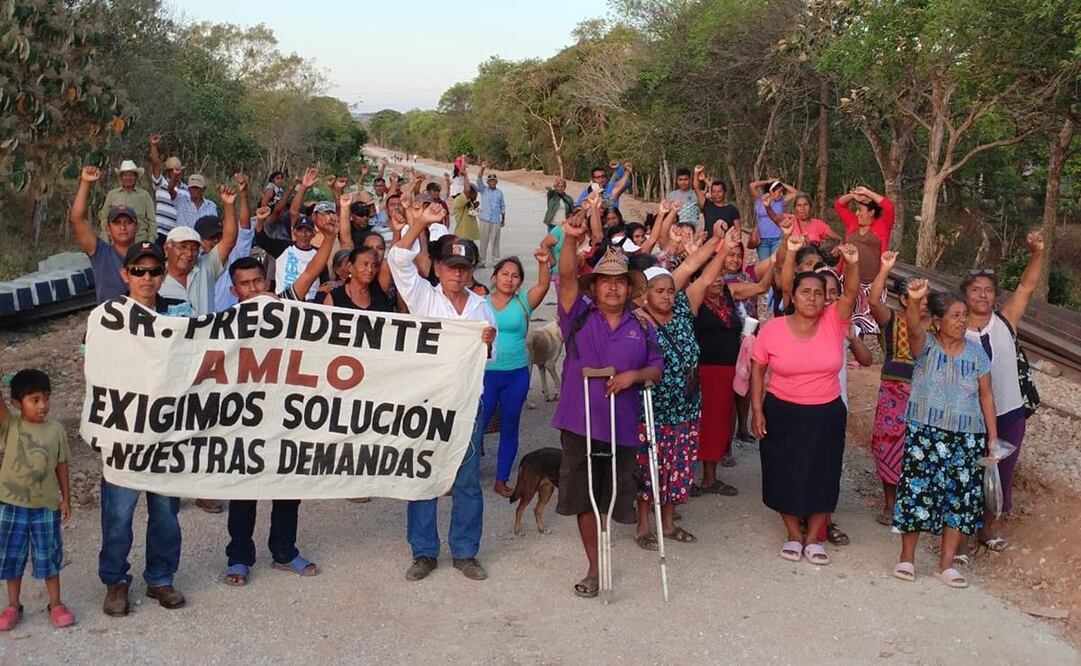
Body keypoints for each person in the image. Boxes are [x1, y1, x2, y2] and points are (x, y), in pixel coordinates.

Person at [553, 199, 663, 598]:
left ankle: (605, 548)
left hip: (622, 425)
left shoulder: (641, 325)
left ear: (627, 286)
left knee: (613, 497)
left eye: (619, 281)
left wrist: (634, 375)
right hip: (580, 420)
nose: (613, 286)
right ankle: (595, 566)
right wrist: (569, 240)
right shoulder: (578, 314)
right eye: (605, 280)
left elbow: (656, 367)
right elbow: (566, 278)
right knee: (584, 497)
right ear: (595, 286)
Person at [223, 216, 338, 586]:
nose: (254, 289)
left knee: (288, 485)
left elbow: (315, 269)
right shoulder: (222, 322)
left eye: (258, 281)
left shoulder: (286, 303)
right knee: (243, 489)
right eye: (246, 285)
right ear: (234, 289)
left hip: (286, 412)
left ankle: (284, 551)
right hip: (244, 417)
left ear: (267, 282)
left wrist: (332, 236)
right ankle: (239, 556)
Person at [387, 203, 497, 582]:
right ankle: (424, 551)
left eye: (464, 268)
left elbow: (489, 355)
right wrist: (418, 223)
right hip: (428, 401)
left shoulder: (482, 306)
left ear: (470, 272)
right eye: (451, 266)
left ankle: (465, 551)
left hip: (467, 402)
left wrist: (488, 341)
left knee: (466, 479)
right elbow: (398, 260)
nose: (457, 273)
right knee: (423, 476)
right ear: (438, 269)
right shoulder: (423, 298)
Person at [633, 225, 745, 549]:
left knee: (679, 466)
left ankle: (667, 524)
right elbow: (687, 269)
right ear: (645, 294)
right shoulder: (639, 320)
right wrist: (714, 245)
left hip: (686, 405)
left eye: (670, 290)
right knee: (649, 466)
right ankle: (643, 524)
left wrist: (723, 248)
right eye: (660, 291)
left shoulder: (683, 308)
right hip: (651, 409)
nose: (668, 295)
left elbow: (705, 276)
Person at [749, 242, 860, 566]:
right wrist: (757, 409)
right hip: (783, 410)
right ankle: (793, 535)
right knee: (783, 471)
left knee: (823, 472)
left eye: (818, 292)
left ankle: (813, 538)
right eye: (805, 292)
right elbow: (758, 369)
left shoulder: (833, 321)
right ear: (792, 297)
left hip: (826, 411)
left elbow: (850, 292)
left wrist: (851, 263)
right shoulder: (773, 329)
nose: (812, 297)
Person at [100, 241, 187, 617]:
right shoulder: (108, 318)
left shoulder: (181, 314)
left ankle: (160, 578)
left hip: (168, 434)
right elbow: (99, 374)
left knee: (166, 512)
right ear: (125, 274)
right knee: (118, 514)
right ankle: (115, 581)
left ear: (163, 275)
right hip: (124, 434)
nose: (147, 278)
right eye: (139, 271)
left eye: (154, 271)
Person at [892, 279, 997, 589]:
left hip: (967, 437)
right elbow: (912, 327)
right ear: (937, 321)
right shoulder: (925, 346)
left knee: (960, 499)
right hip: (925, 433)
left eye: (964, 315)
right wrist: (914, 301)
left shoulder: (977, 354)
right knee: (916, 493)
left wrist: (992, 440)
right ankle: (907, 558)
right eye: (955, 315)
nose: (962, 321)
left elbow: (987, 396)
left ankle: (946, 564)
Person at [962, 231, 1044, 552]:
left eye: (987, 290)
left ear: (995, 296)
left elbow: (1027, 286)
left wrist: (1036, 253)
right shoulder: (955, 327)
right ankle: (959, 535)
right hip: (970, 415)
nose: (982, 295)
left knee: (1001, 474)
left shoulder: (1006, 320)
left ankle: (987, 528)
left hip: (1009, 412)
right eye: (975, 290)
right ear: (965, 295)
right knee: (968, 472)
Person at [694, 228, 772, 492]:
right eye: (711, 278)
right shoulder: (694, 300)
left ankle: (709, 476)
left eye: (719, 278)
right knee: (704, 422)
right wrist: (721, 245)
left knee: (721, 422)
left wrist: (778, 257)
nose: (716, 282)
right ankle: (697, 477)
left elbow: (761, 286)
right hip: (704, 371)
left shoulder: (729, 292)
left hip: (728, 371)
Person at [0, 369, 74, 630]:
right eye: (34, 400)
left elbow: (61, 464)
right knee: (12, 558)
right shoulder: (11, 425)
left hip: (45, 508)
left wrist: (66, 498)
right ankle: (12, 605)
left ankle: (55, 604)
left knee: (49, 556)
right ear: (17, 405)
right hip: (12, 506)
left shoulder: (55, 430)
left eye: (46, 397)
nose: (43, 405)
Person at [481, 251, 552, 498]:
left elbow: (543, 284)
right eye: (504, 274)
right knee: (475, 426)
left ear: (520, 282)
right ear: (494, 276)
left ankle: (501, 479)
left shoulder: (524, 302)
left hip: (516, 374)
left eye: (515, 276)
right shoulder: (480, 301)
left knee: (510, 426)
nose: (509, 279)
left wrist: (543, 263)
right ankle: (460, 476)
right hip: (485, 374)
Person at [866, 251, 927, 525]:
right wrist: (885, 269)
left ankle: (907, 505)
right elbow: (872, 299)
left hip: (920, 396)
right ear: (903, 299)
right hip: (893, 393)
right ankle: (890, 505)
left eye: (925, 298)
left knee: (914, 448)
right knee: (886, 445)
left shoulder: (932, 328)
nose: (922, 303)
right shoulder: (891, 320)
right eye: (917, 297)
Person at [159, 185, 238, 316]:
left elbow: (229, 240)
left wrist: (228, 205)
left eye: (194, 248)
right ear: (167, 248)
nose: (189, 253)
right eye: (182, 247)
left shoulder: (206, 267)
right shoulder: (155, 277)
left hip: (206, 336)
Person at [69, 166, 138, 303]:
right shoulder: (100, 253)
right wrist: (85, 182)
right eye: (117, 223)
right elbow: (77, 219)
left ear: (136, 227)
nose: (123, 227)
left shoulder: (145, 255)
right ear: (108, 229)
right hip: (108, 321)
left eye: (128, 222)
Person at [833, 186, 895, 335]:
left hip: (871, 283)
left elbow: (888, 206)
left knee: (873, 322)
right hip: (848, 280)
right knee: (849, 319)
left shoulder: (882, 225)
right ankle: (855, 354)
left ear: (871, 212)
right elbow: (839, 205)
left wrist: (867, 192)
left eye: (860, 209)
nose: (856, 213)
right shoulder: (853, 223)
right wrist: (854, 196)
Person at [98, 159, 156, 242]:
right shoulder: (112, 194)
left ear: (136, 177)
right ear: (121, 177)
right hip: (116, 239)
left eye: (131, 175)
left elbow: (152, 220)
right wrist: (107, 235)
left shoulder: (144, 195)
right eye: (125, 175)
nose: (128, 178)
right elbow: (104, 217)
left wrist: (150, 240)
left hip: (139, 239)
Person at [148, 133, 188, 244]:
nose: (176, 173)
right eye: (173, 170)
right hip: (160, 232)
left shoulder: (187, 190)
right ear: (168, 172)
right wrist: (153, 146)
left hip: (176, 234)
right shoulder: (161, 183)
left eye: (178, 170)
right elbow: (155, 164)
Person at [762, 193, 840, 244]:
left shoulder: (818, 224)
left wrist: (836, 248)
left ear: (810, 207)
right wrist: (767, 206)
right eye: (799, 205)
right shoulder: (789, 220)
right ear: (795, 208)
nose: (803, 208)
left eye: (805, 204)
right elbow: (775, 217)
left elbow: (838, 238)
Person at [747, 178, 797, 258]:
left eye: (781, 192)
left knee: (776, 263)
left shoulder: (781, 201)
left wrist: (780, 183)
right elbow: (752, 185)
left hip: (777, 238)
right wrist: (767, 181)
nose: (781, 194)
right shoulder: (759, 199)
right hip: (762, 239)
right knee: (764, 264)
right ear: (771, 191)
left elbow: (794, 192)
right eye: (779, 191)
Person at [693, 166, 740, 236]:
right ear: (711, 193)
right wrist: (696, 173)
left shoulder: (732, 209)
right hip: (708, 244)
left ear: (725, 192)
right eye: (714, 192)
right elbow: (697, 188)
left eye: (719, 191)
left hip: (726, 245)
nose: (717, 194)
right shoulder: (707, 205)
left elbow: (738, 230)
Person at [475, 163, 506, 267]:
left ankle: (496, 261)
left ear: (496, 182)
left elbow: (502, 206)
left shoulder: (499, 192)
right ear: (487, 182)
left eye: (494, 180)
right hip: (484, 219)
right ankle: (482, 261)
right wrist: (482, 168)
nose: (492, 182)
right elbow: (478, 180)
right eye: (490, 180)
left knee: (495, 241)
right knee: (484, 241)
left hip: (496, 220)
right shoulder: (484, 190)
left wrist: (503, 219)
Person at [451, 163, 480, 241]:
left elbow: (471, 214)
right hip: (462, 237)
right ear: (471, 192)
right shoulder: (460, 200)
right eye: (475, 192)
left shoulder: (469, 202)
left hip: (469, 237)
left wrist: (475, 208)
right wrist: (466, 175)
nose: (476, 195)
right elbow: (467, 190)